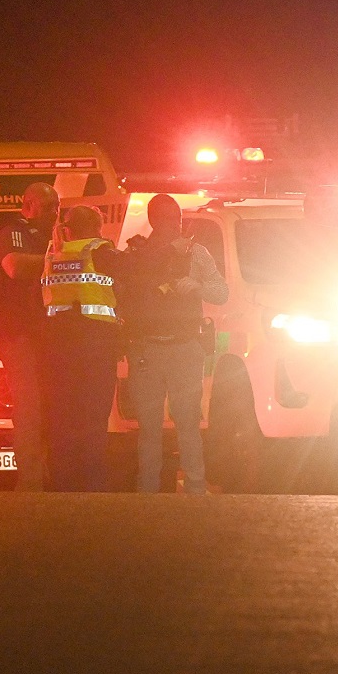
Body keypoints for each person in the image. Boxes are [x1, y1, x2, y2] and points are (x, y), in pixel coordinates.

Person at [119, 195, 228, 493]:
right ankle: (148, 494)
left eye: (178, 219)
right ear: (154, 220)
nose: (175, 225)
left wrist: (198, 286)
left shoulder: (195, 253)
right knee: (149, 429)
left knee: (188, 425)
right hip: (148, 350)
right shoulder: (136, 253)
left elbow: (221, 292)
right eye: (169, 219)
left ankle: (195, 491)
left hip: (184, 348)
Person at [39, 205, 124, 492]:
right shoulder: (99, 251)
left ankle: (62, 479)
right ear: (98, 227)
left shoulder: (55, 254)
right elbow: (129, 283)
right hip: (95, 342)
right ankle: (92, 480)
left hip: (59, 343)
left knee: (64, 414)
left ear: (68, 228)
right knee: (94, 414)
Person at [0, 182, 60, 491]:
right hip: (19, 333)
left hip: (49, 336)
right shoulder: (14, 232)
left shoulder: (54, 236)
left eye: (57, 207)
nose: (55, 213)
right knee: (29, 407)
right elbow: (15, 267)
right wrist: (57, 262)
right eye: (49, 208)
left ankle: (50, 476)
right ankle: (30, 483)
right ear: (28, 206)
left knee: (51, 407)